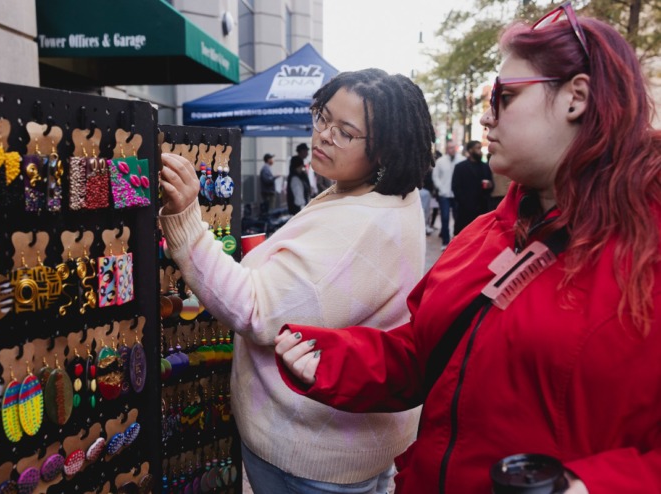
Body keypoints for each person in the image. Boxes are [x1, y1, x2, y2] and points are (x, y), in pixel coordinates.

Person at [275, 5, 661, 494]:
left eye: (504, 95)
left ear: (576, 98)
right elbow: (427, 355)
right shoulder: (485, 234)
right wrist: (333, 358)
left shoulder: (646, 254)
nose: (485, 115)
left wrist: (590, 485)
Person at [159, 67, 435, 494]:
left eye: (345, 131)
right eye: (323, 116)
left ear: (384, 151)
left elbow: (254, 309)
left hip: (313, 452)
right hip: (354, 440)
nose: (323, 135)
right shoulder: (377, 194)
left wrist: (187, 221)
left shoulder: (359, 227)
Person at [451, 140, 493, 235]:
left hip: (481, 210)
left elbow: (491, 185)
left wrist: (489, 185)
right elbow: (455, 188)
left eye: (480, 148)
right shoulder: (460, 167)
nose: (480, 151)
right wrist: (465, 202)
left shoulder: (485, 167)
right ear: (470, 150)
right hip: (465, 211)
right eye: (477, 148)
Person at [433, 140, 458, 250]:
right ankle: (445, 241)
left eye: (453, 147)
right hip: (444, 194)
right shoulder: (441, 161)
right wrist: (441, 188)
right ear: (447, 149)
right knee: (445, 217)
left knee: (457, 218)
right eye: (450, 148)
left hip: (457, 194)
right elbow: (435, 176)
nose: (452, 149)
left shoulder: (461, 159)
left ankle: (457, 240)